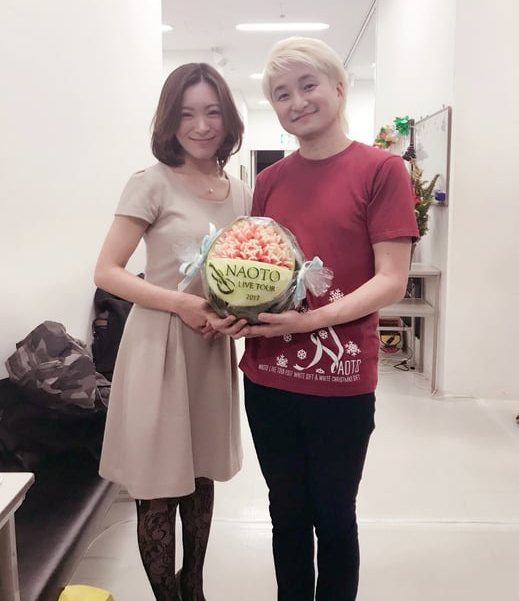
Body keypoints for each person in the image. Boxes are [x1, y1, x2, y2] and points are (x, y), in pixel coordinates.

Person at [214, 37, 419, 601]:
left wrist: (307, 323)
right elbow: (259, 270)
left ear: (339, 88)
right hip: (267, 377)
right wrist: (234, 312)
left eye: (308, 85)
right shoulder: (271, 181)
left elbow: (390, 279)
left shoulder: (382, 170)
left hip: (340, 379)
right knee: (285, 513)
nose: (297, 101)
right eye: (282, 94)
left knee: (332, 514)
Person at [94, 62, 251, 601]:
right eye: (186, 114)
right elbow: (108, 271)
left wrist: (241, 313)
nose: (200, 126)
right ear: (169, 120)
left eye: (212, 112)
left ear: (228, 119)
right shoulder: (150, 182)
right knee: (159, 486)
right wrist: (181, 303)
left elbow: (245, 271)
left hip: (209, 349)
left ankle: (194, 588)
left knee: (200, 475)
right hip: (159, 348)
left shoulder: (240, 192)